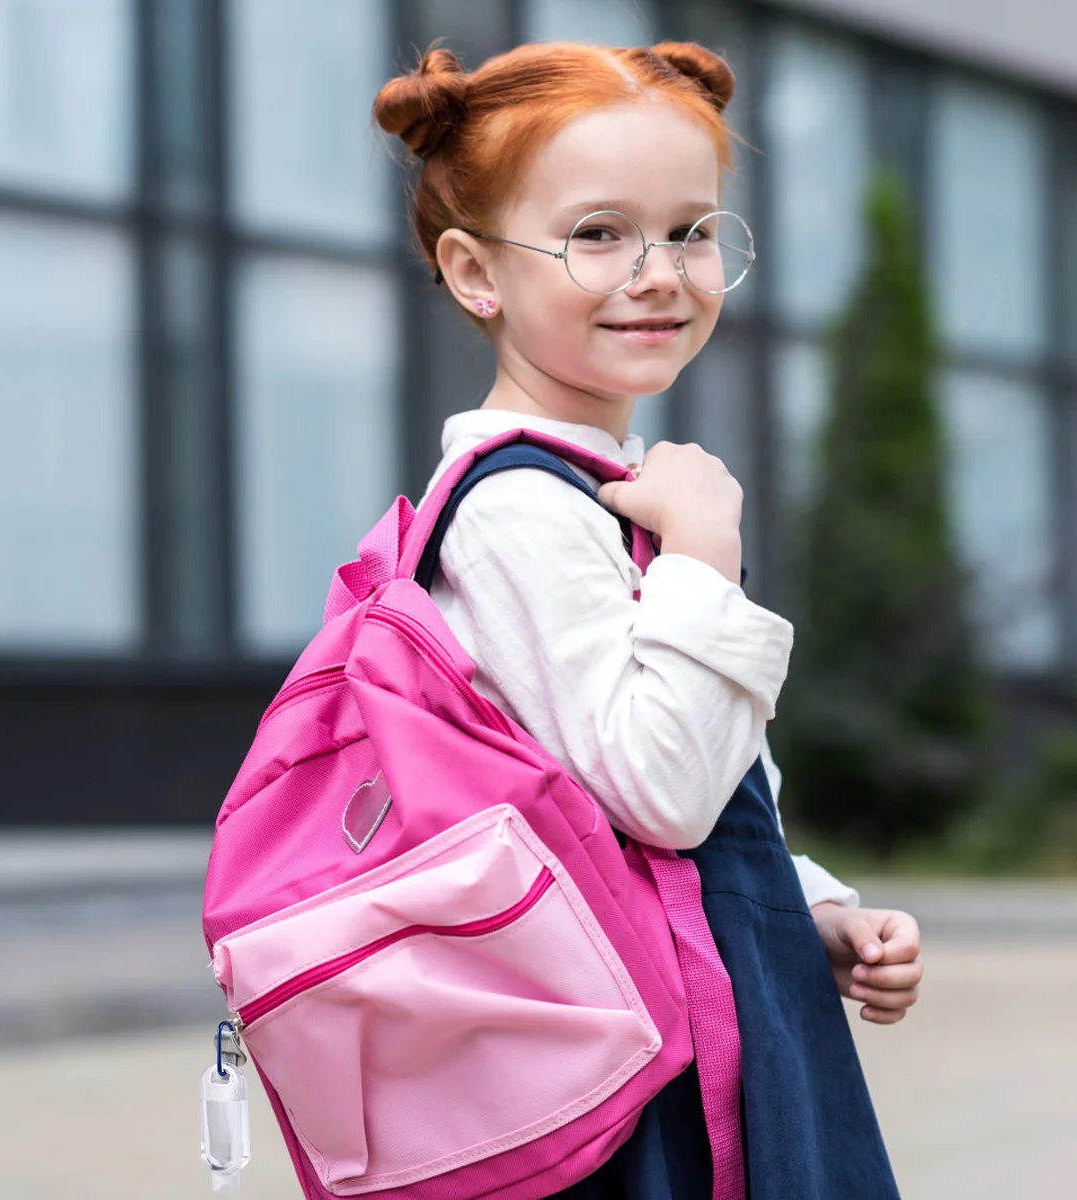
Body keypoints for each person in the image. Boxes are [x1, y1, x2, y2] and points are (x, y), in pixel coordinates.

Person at [374, 39, 923, 1199]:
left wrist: (806, 906)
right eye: (597, 233)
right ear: (475, 271)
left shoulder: (601, 489)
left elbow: (694, 794)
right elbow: (658, 794)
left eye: (690, 229)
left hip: (697, 1007)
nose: (661, 270)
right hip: (647, 1077)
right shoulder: (519, 508)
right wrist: (706, 551)